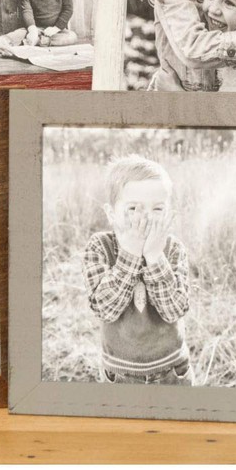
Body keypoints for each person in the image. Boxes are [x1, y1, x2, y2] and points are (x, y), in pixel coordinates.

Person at [82, 155, 192, 385]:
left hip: (173, 370)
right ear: (111, 214)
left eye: (158, 208)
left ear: (169, 212)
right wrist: (130, 254)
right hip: (120, 375)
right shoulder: (99, 247)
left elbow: (174, 311)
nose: (146, 217)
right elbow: (105, 310)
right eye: (133, 208)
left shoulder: (173, 249)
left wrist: (154, 257)